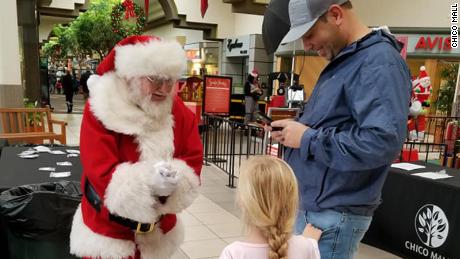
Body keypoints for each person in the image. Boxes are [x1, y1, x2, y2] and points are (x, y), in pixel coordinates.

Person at [268, 1, 411, 258]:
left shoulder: (377, 62)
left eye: (309, 34)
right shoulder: (350, 60)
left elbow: (382, 142)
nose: (307, 45)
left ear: (335, 14)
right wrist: (300, 127)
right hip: (321, 209)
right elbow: (340, 122)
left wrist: (307, 138)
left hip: (333, 214)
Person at [69, 35, 203, 259]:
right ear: (130, 76)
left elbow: (193, 160)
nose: (163, 89)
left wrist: (175, 181)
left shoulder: (179, 112)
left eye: (170, 81)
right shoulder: (103, 106)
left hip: (159, 234)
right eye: (154, 79)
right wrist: (148, 182)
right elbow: (100, 172)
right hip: (107, 235)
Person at [219, 156, 321, 259]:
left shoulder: (233, 254)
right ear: (292, 202)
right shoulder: (307, 247)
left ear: (243, 201)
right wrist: (309, 242)